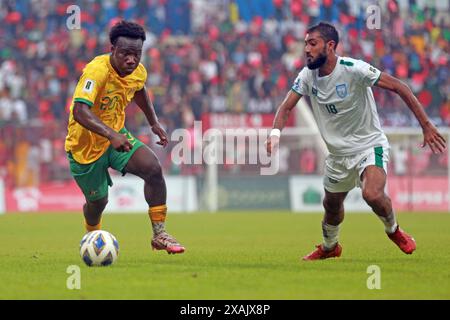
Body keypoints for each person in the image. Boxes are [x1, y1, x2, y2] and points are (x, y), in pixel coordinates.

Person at [266, 22, 446, 260]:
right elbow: (286, 106)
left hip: (369, 146)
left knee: (371, 194)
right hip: (338, 156)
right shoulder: (307, 76)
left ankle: (394, 230)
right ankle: (330, 248)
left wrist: (426, 125)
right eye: (305, 44)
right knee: (330, 206)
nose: (306, 49)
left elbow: (400, 87)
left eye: (312, 43)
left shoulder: (354, 69)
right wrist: (275, 135)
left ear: (330, 46)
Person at [65, 20, 185, 254]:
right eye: (125, 54)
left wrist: (154, 122)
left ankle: (159, 234)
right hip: (84, 148)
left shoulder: (137, 71)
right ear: (112, 50)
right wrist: (110, 135)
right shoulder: (96, 71)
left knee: (153, 168)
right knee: (98, 203)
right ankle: (92, 235)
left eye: (136, 54)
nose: (131, 60)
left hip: (116, 136)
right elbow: (79, 111)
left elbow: (138, 89)